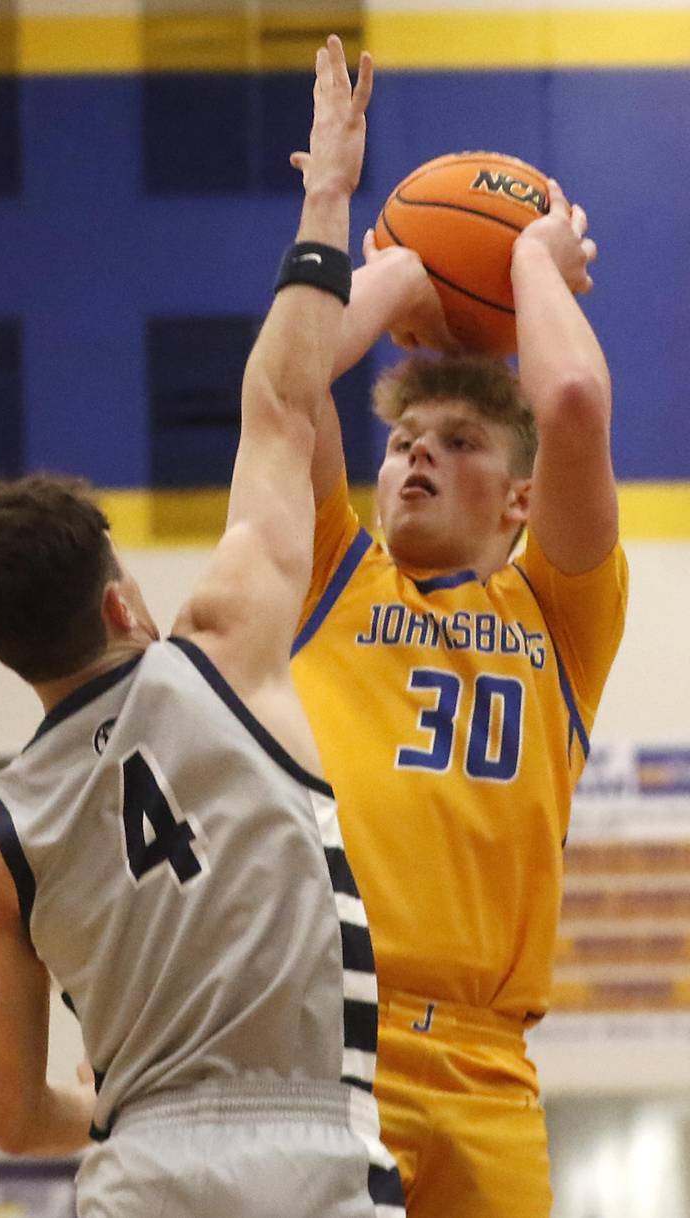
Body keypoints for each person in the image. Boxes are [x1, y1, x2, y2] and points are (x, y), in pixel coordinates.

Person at [0, 36, 407, 1218]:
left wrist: (112, 1111)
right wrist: (325, 201)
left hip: (139, 1167)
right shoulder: (220, 645)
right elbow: (283, 404)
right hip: (312, 1153)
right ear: (118, 603)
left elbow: (7, 1114)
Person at [290, 179, 629, 1215]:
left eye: (457, 442)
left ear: (519, 497)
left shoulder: (557, 612)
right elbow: (289, 378)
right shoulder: (328, 571)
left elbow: (568, 404)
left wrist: (528, 259)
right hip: (326, 1044)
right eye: (400, 442)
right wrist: (397, 275)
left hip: (487, 1069)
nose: (414, 455)